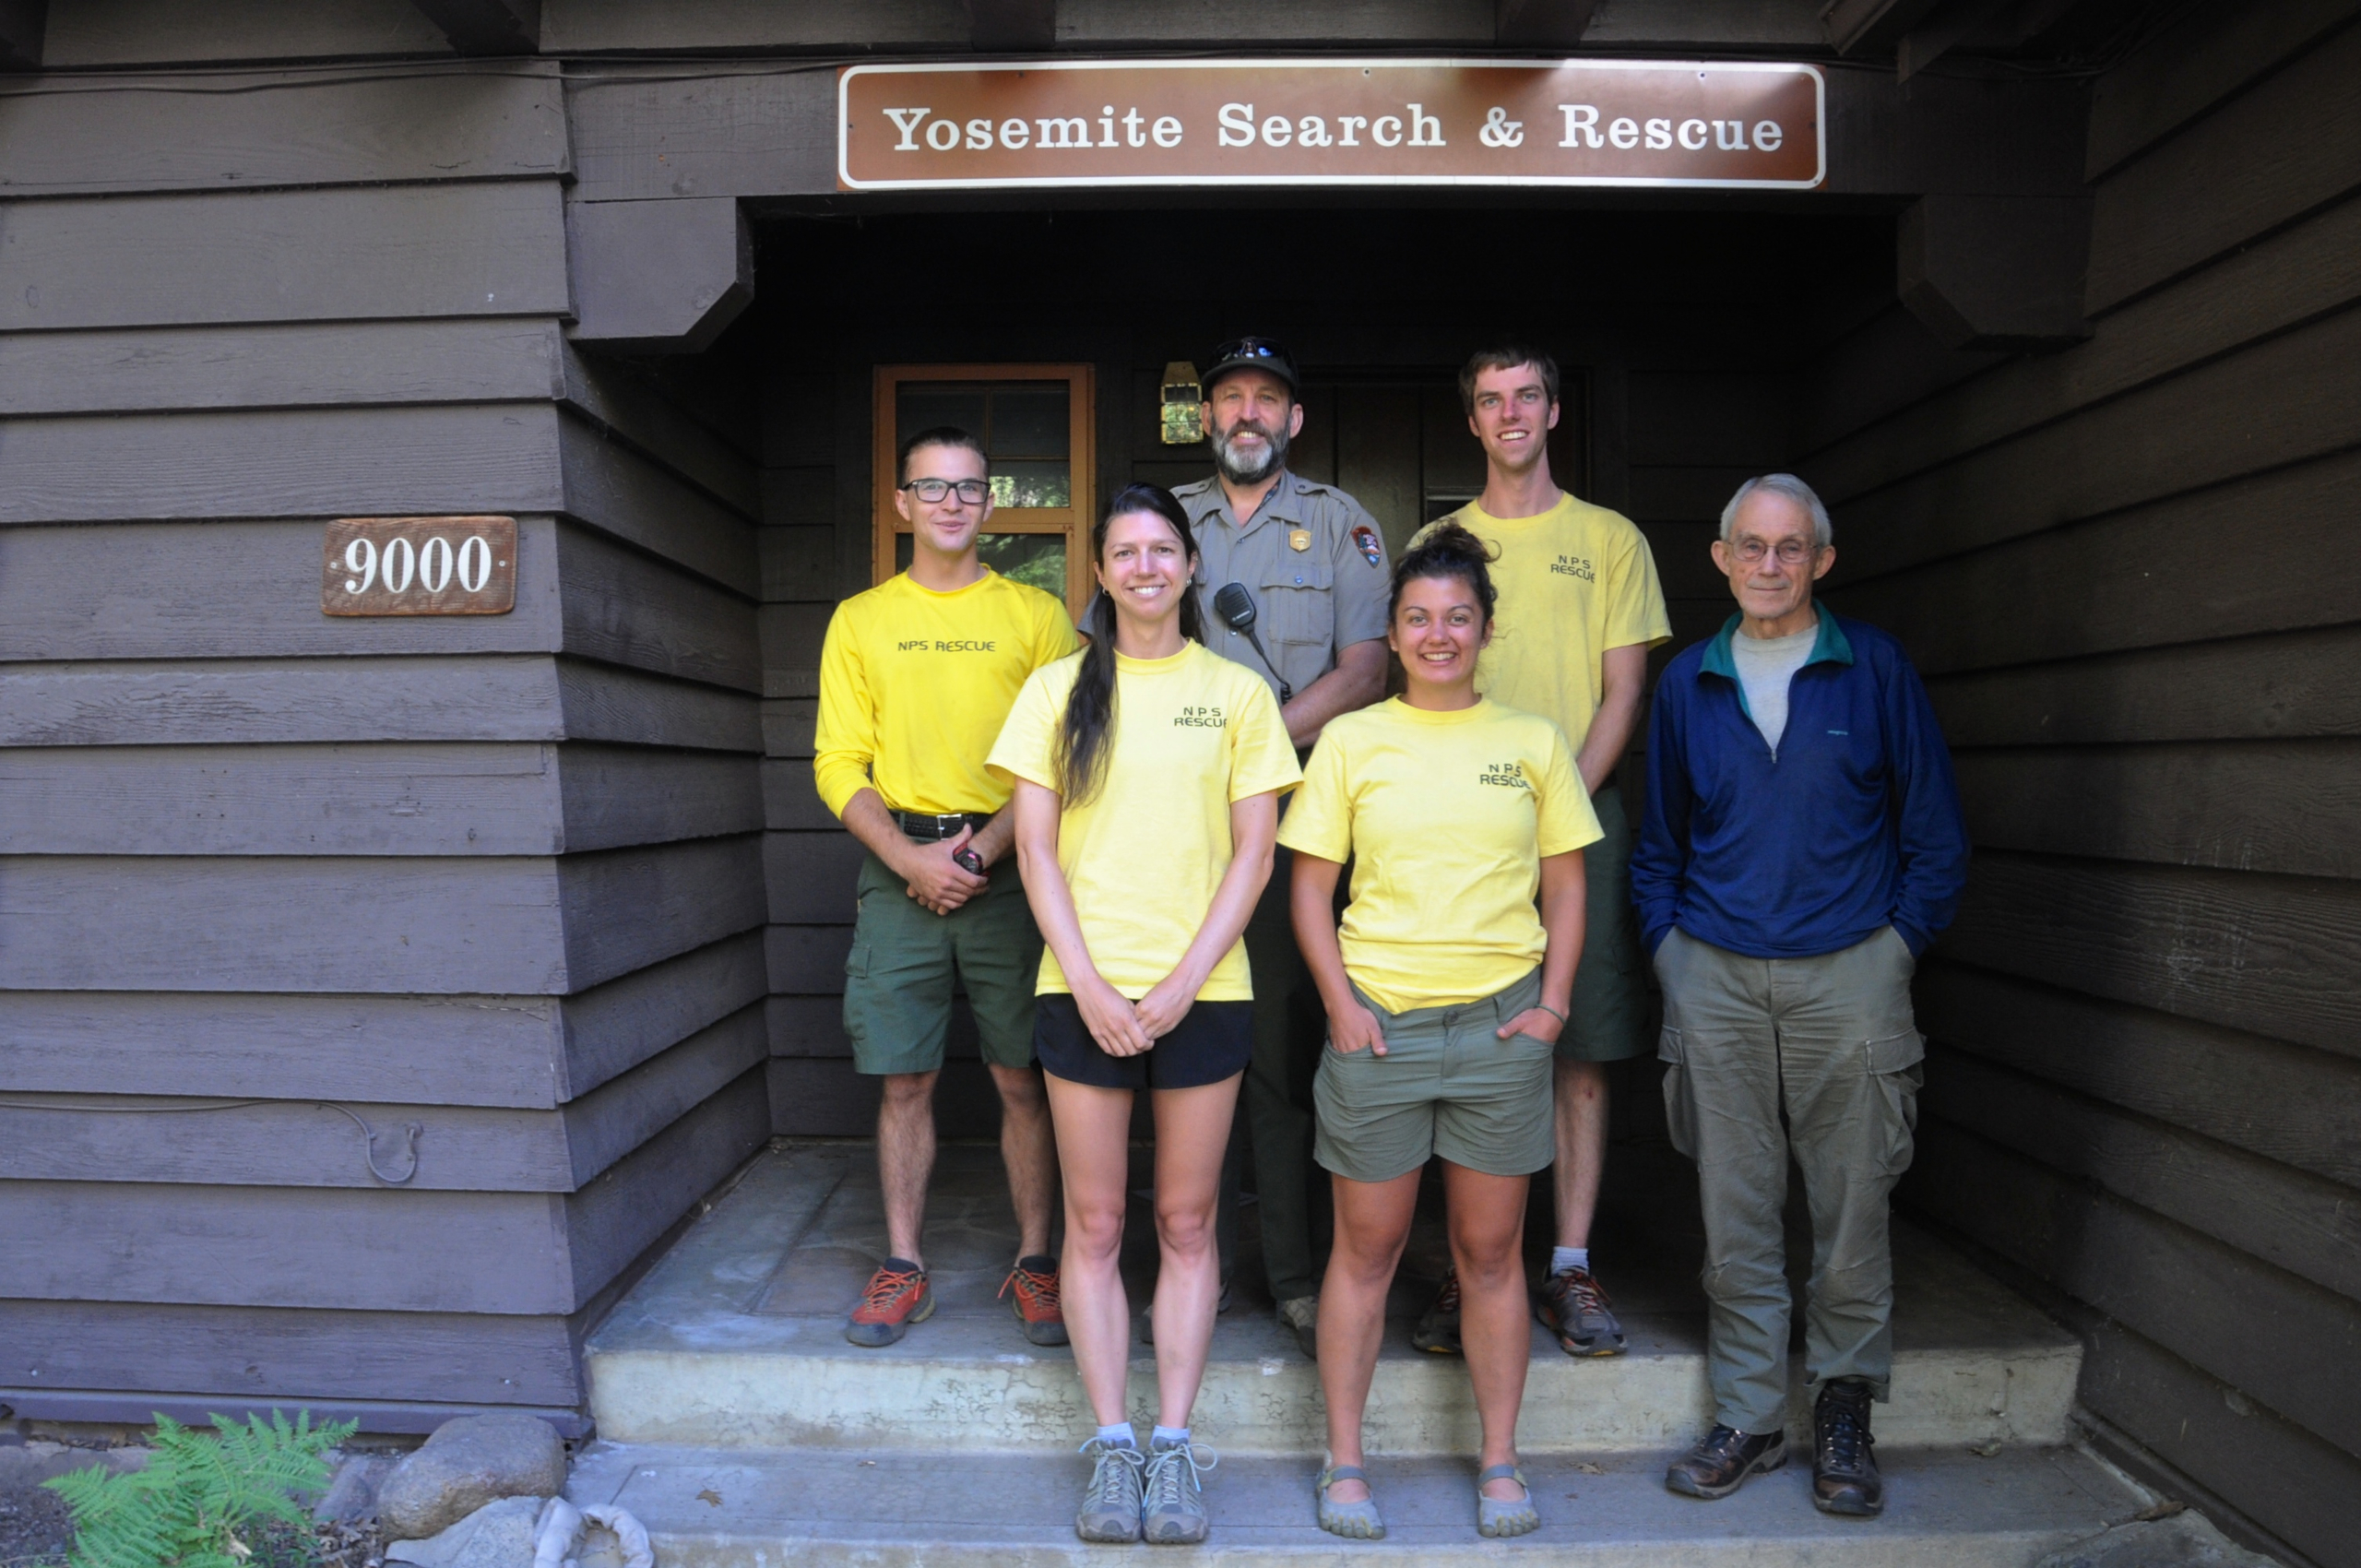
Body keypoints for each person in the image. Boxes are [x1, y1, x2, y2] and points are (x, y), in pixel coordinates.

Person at [1635, 473, 1968, 1517]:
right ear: (1721, 557)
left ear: (1820, 560)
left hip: (1851, 973)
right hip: (1716, 975)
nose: (1769, 565)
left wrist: (1895, 949)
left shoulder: (1871, 667)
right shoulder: (1688, 679)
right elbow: (1656, 844)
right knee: (1733, 1211)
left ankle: (1841, 1407)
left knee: (1851, 1206)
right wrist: (1671, 955)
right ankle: (1747, 1413)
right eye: (1751, 546)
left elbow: (1935, 835)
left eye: (1791, 548)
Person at [988, 484, 1302, 1546]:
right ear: (1101, 570)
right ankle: (1112, 1443)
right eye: (1124, 551)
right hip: (1080, 988)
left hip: (1201, 991)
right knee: (1095, 1222)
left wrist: (1175, 985)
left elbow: (1255, 852)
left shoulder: (1236, 692)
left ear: (1188, 564)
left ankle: (1173, 1446)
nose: (1145, 567)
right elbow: (1033, 849)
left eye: (1162, 548)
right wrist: (1085, 980)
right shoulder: (1054, 690)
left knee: (1183, 1220)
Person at [1282, 525, 1600, 1542]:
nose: (1437, 633)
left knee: (1492, 1251)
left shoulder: (1533, 741)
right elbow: (1308, 887)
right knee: (1365, 1249)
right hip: (1380, 1026)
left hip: (1501, 1032)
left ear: (1486, 628)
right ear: (1393, 628)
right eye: (1417, 616)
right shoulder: (1352, 740)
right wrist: (1337, 999)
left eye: (1457, 616)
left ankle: (1500, 1462)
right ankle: (1344, 1461)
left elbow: (1565, 880)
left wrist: (1550, 1004)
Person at [1410, 347, 1671, 1361]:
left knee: (1580, 1048)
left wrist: (1550, 812)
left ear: (1553, 411)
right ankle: (1467, 1265)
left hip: (1576, 827)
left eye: (1526, 396)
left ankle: (1565, 1261)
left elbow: (1622, 692)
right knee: (1462, 1048)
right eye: (1489, 399)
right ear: (1470, 420)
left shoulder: (1607, 539)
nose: (1509, 413)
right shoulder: (1442, 540)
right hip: (1453, 835)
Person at [813, 426, 1079, 1350]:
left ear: (990, 504)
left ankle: (1037, 1261)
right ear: (902, 505)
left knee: (1022, 1077)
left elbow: (1057, 753)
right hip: (898, 871)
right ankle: (903, 1265)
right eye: (933, 487)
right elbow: (838, 759)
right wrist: (909, 859)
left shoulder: (1037, 616)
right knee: (904, 1080)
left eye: (970, 488)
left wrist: (978, 854)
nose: (953, 503)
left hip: (1008, 870)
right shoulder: (860, 619)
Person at [1175, 336, 1392, 1359]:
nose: (1247, 413)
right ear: (1205, 418)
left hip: (1295, 823)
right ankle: (1195, 1263)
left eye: (1267, 397)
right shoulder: (1162, 524)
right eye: (1229, 399)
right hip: (1169, 829)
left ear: (1292, 419)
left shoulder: (1340, 522)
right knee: (1184, 1046)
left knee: (1274, 1053)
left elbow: (1365, 669)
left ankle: (1295, 1274)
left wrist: (1256, 745)